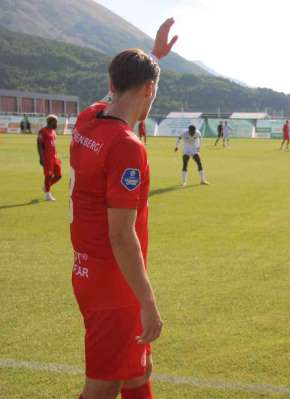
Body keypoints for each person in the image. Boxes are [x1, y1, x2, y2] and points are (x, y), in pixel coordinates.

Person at [69, 18, 178, 399]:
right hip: (113, 284)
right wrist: (148, 303)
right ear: (150, 90)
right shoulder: (127, 147)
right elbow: (121, 233)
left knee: (137, 372)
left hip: (88, 270)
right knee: (103, 386)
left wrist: (153, 56)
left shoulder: (88, 120)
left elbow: (121, 92)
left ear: (112, 85)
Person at [37, 114, 62, 201]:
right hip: (47, 157)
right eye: (56, 122)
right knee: (49, 175)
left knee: (59, 175)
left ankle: (46, 187)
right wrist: (41, 157)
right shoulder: (42, 131)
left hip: (54, 157)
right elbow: (39, 145)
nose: (57, 124)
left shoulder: (53, 131)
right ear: (51, 122)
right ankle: (47, 194)